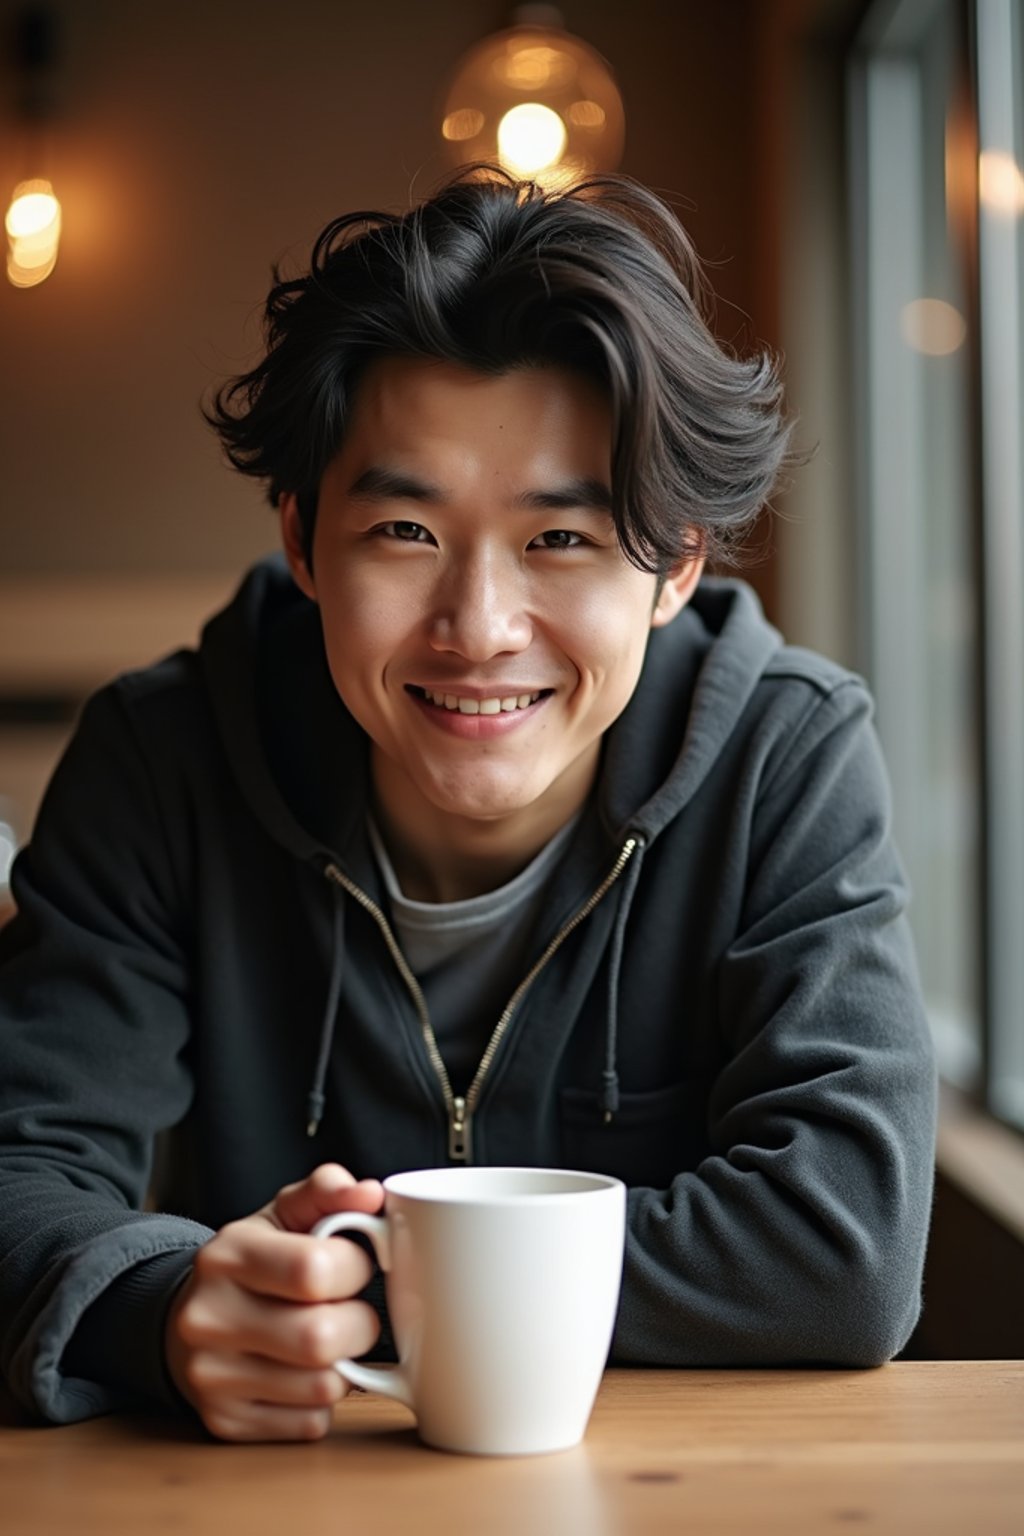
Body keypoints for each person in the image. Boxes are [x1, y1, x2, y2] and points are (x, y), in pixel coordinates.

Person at [0, 166, 937, 1444]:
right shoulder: (164, 758)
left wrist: (350, 1285)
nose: (479, 629)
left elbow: (840, 1251)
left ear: (675, 567)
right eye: (403, 532)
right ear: (300, 539)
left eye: (560, 540)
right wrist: (167, 1307)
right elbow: (19, 1168)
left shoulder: (786, 752)